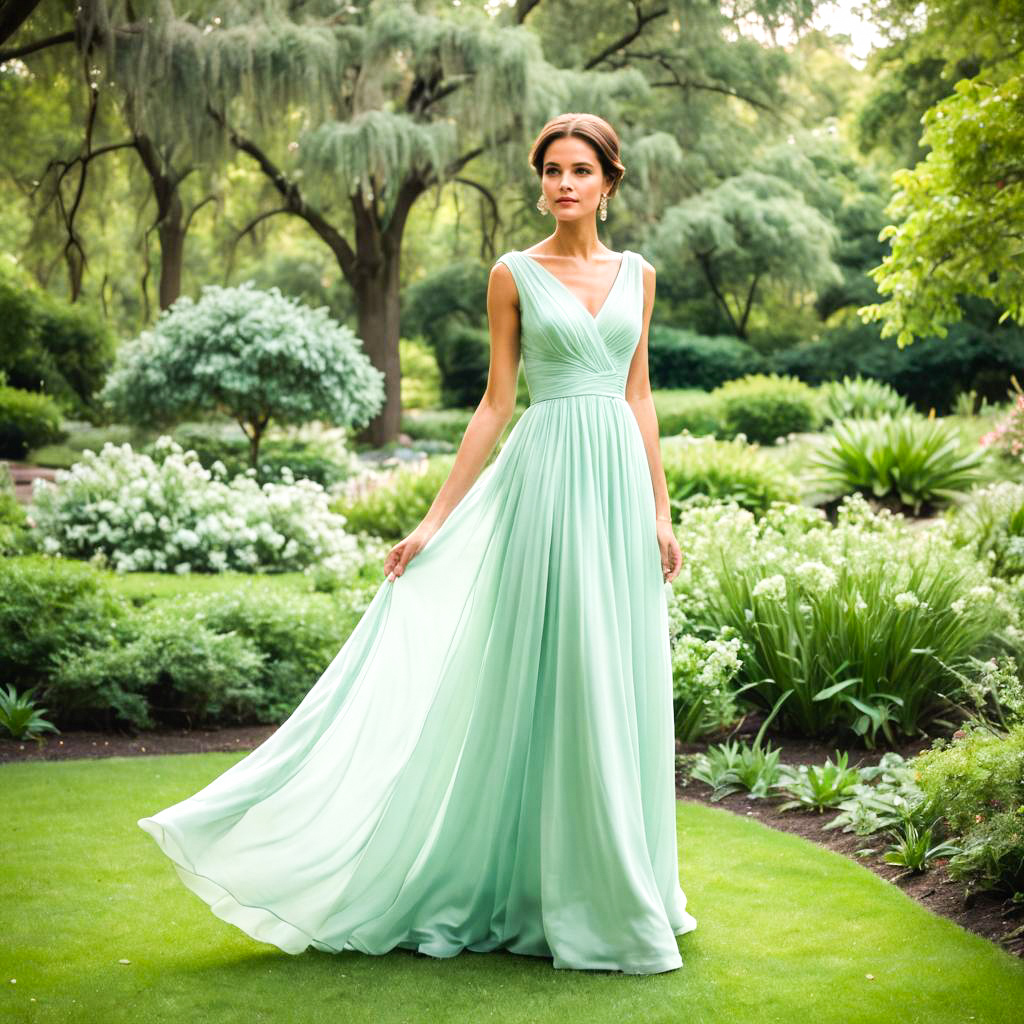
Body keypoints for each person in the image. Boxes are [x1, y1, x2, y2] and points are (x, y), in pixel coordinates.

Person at [138, 111, 698, 975]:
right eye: (551, 170)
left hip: (618, 491)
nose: (563, 184)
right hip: (543, 487)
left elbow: (640, 395)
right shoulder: (514, 274)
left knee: (615, 678)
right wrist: (433, 520)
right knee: (552, 677)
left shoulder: (640, 276)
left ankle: (626, 885)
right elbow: (495, 404)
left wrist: (660, 511)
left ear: (610, 181)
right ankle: (541, 891)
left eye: (580, 170)